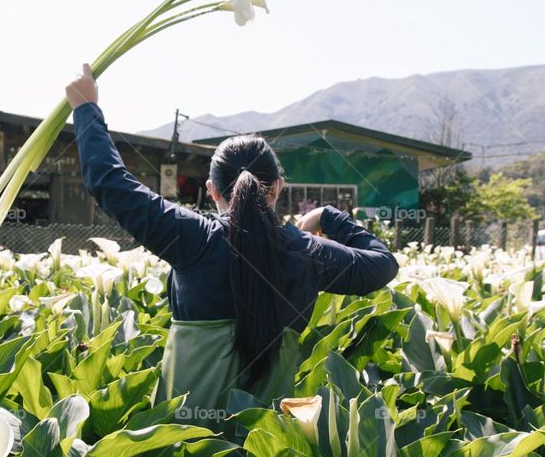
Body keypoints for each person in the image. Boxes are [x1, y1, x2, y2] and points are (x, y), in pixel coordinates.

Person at [65, 64, 399, 424]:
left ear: (212, 191)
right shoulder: (306, 252)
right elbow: (383, 265)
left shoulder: (195, 239)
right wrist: (328, 215)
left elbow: (110, 183)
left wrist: (86, 109)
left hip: (179, 455)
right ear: (278, 188)